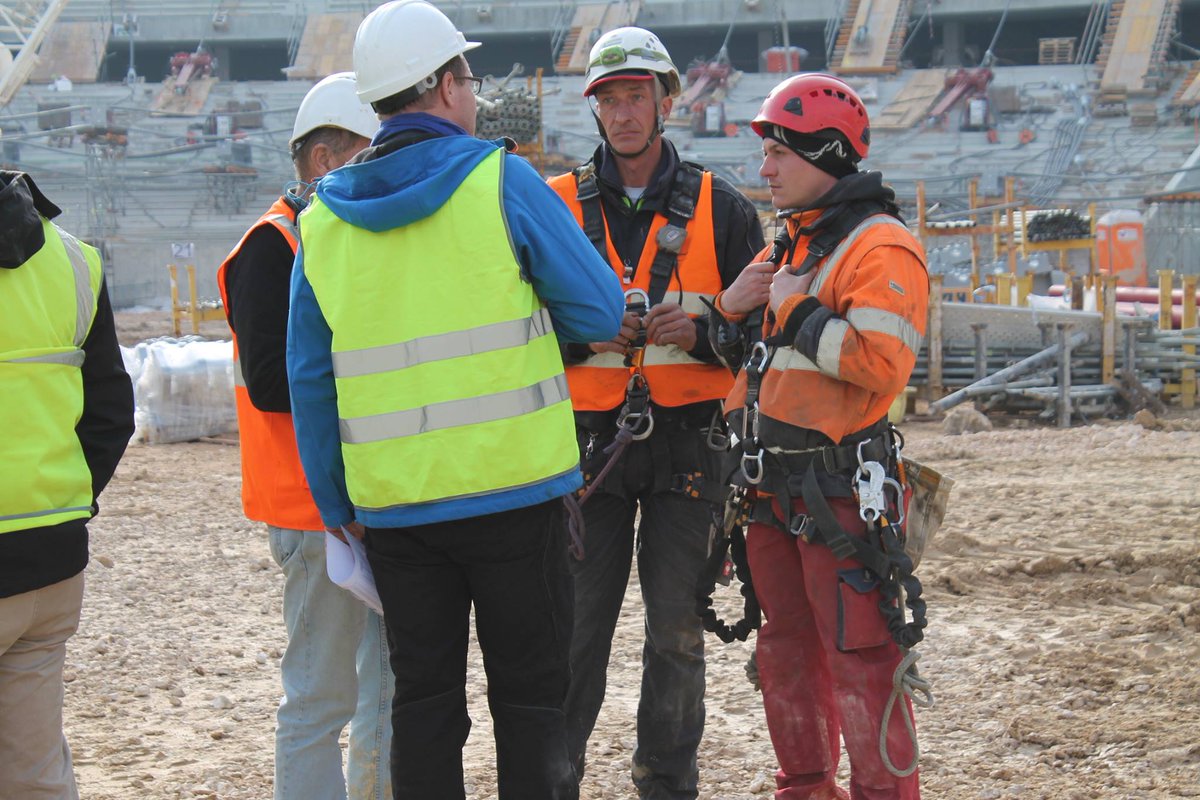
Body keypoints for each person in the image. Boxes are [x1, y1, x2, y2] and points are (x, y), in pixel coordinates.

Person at [285, 3, 624, 798]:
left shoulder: (324, 219)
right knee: (533, 703)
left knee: (424, 705)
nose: (473, 92)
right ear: (443, 87)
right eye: (468, 77)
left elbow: (309, 376)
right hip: (518, 498)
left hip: (397, 514)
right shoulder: (498, 180)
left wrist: (335, 500)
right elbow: (602, 312)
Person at [546, 26, 764, 800]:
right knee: (575, 634)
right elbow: (514, 331)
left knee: (677, 633)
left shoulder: (725, 208)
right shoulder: (553, 206)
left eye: (636, 96)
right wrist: (583, 336)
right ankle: (554, 780)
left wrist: (705, 333)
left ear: (665, 102)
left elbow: (758, 337)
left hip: (688, 446)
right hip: (585, 447)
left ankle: (666, 786)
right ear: (596, 111)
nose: (624, 113)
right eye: (609, 98)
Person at [708, 73, 929, 800]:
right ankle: (803, 790)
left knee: (861, 657)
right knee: (786, 653)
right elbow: (766, 369)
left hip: (839, 494)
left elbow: (879, 362)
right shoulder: (798, 243)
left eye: (778, 153)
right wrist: (732, 311)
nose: (763, 169)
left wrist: (794, 306)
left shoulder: (880, 246)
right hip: (775, 489)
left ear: (827, 154)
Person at [216, 73, 392, 800]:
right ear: (325, 160)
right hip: (310, 512)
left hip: (373, 502)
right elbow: (271, 381)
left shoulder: (348, 240)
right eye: (370, 155)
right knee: (321, 699)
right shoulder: (273, 245)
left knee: (388, 690)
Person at [0, 168, 135, 799]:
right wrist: (66, 502)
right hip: (51, 559)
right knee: (33, 772)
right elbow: (110, 413)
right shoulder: (74, 262)